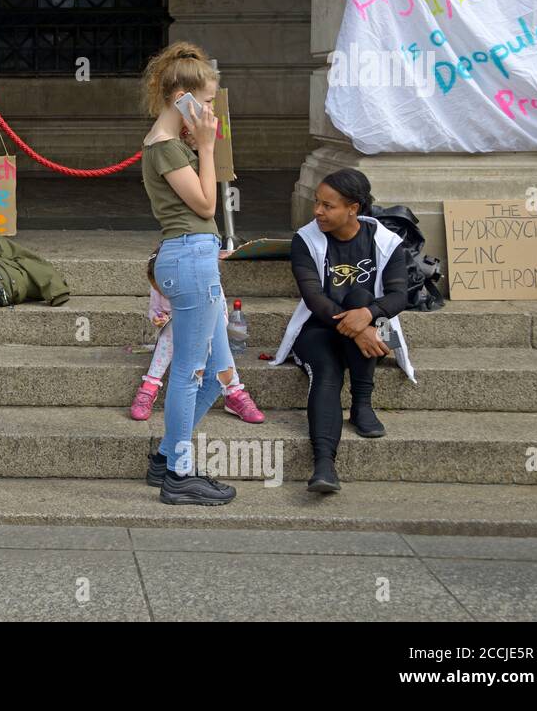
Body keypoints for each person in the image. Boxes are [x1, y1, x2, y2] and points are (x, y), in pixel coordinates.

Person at [271, 169, 415, 493]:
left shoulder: (387, 241)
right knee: (326, 371)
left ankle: (362, 405)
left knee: (362, 297)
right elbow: (314, 299)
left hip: (375, 323)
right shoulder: (305, 240)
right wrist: (359, 328)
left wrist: (367, 316)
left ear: (354, 207)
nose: (317, 211)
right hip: (317, 328)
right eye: (317, 203)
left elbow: (398, 297)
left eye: (328, 205)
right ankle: (324, 465)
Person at [140, 41, 238, 505]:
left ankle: (165, 458)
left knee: (219, 373)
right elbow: (205, 203)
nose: (213, 109)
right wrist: (205, 146)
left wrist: (200, 144)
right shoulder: (165, 147)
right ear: (183, 98)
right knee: (189, 372)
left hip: (196, 256)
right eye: (209, 100)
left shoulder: (169, 144)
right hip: (188, 258)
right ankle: (179, 472)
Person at [130, 250, 264, 424]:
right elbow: (155, 310)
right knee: (171, 328)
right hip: (175, 335)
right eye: (159, 290)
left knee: (216, 335)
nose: (163, 293)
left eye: (167, 290)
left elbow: (221, 319)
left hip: (207, 332)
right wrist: (157, 317)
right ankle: (150, 386)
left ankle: (233, 392)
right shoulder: (159, 282)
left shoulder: (207, 283)